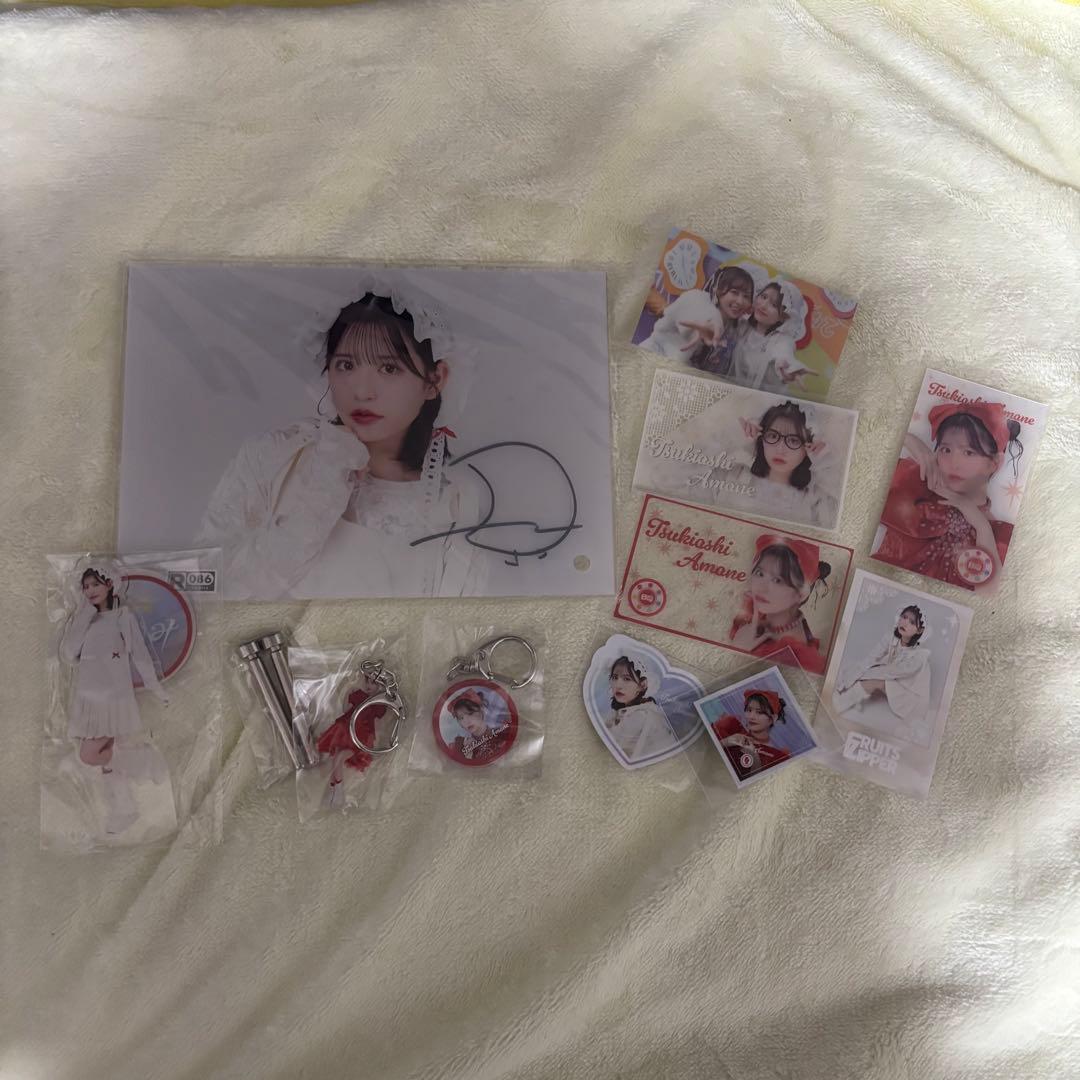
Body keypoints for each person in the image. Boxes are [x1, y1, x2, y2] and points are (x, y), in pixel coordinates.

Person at [198, 280, 485, 600]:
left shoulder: (457, 500)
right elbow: (207, 585)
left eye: (389, 368)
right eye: (346, 365)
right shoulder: (275, 457)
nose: (362, 391)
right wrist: (322, 486)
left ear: (435, 379)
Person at [59, 565, 172, 834]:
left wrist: (156, 689)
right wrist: (85, 614)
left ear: (109, 584)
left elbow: (141, 656)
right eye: (86, 586)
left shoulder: (123, 617)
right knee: (105, 760)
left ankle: (143, 762)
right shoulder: (85, 619)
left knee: (89, 755)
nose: (90, 590)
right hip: (88, 696)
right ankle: (124, 808)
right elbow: (69, 653)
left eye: (95, 584)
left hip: (113, 697)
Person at [873, 402, 1023, 591]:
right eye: (946, 450)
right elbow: (872, 432)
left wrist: (980, 524)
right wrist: (912, 442)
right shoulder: (914, 487)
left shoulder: (998, 535)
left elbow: (988, 595)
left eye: (969, 452)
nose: (954, 463)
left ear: (994, 462)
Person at [721, 401, 837, 527]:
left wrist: (824, 459)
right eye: (772, 436)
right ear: (761, 438)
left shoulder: (816, 500)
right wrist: (736, 435)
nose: (780, 449)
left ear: (808, 448)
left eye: (793, 440)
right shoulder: (733, 477)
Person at [728, 534, 832, 674]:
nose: (761, 588)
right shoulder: (753, 620)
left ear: (801, 594)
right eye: (760, 573)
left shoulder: (797, 654)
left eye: (778, 580)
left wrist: (740, 648)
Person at [640, 264, 755, 375]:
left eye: (746, 296)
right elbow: (697, 312)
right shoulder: (698, 298)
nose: (740, 301)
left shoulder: (733, 327)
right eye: (734, 292)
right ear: (718, 290)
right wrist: (710, 322)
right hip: (650, 360)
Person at [833, 605, 931, 727]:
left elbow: (892, 672)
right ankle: (846, 693)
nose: (905, 623)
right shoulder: (891, 637)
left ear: (919, 630)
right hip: (895, 678)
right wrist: (853, 677)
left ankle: (839, 704)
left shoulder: (919, 656)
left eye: (911, 622)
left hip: (911, 695)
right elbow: (871, 657)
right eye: (904, 617)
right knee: (858, 667)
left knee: (876, 681)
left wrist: (864, 675)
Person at [731, 280, 811, 394]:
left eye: (774, 305)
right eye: (763, 297)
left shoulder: (783, 341)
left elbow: (784, 354)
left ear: (784, 316)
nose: (763, 305)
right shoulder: (743, 326)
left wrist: (789, 368)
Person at [603, 654, 674, 762]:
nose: (618, 685)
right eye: (615, 677)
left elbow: (610, 744)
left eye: (626, 679)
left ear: (642, 685)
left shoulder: (641, 715)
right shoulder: (624, 711)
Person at [710, 688, 791, 780]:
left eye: (759, 712)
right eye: (749, 710)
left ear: (773, 718)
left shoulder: (779, 757)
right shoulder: (732, 728)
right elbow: (705, 751)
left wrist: (755, 758)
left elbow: (760, 785)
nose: (751, 716)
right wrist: (725, 742)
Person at [448, 688, 513, 764]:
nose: (466, 721)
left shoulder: (503, 731)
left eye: (470, 713)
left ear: (482, 709)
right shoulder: (459, 745)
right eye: (461, 718)